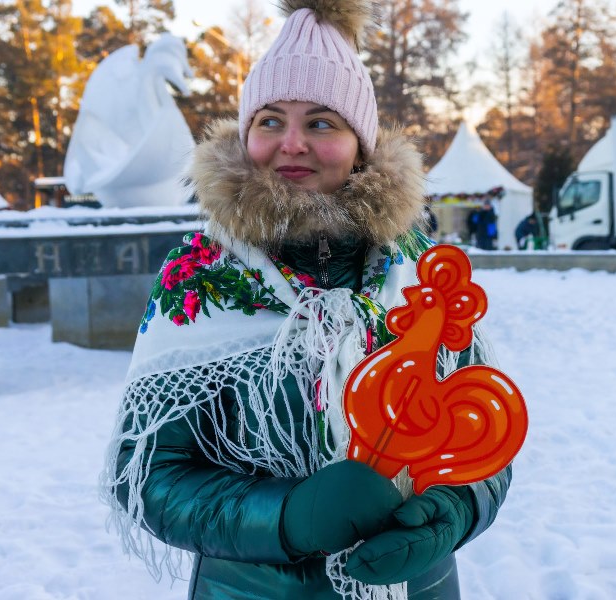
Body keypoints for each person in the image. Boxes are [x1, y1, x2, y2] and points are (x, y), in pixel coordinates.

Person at [101, 1, 512, 598]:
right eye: (271, 120)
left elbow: (485, 436)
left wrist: (454, 511)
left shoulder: (422, 271)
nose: (291, 143)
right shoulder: (201, 276)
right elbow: (147, 475)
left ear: (360, 144)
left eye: (321, 122)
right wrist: (287, 516)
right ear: (246, 134)